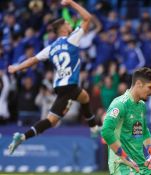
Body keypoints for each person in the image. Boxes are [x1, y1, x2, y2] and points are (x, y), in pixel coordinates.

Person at [7, 0, 99, 154]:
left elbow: (32, 60)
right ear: (63, 28)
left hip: (60, 86)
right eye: (68, 24)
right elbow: (88, 18)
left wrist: (16, 67)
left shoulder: (51, 47)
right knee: (51, 121)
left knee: (84, 98)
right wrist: (71, 3)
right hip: (69, 85)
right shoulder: (72, 39)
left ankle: (94, 128)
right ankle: (22, 137)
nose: (70, 25)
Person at [101, 67, 151, 175]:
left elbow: (144, 132)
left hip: (142, 166)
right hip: (122, 166)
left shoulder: (142, 106)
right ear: (139, 83)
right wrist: (125, 158)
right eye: (150, 87)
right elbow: (106, 131)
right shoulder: (120, 104)